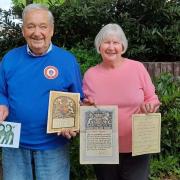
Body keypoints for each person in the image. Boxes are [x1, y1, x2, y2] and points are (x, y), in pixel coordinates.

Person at [0, 3, 83, 180]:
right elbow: (1, 92)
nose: (37, 32)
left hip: (54, 146)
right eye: (31, 26)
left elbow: (78, 99)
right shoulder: (9, 59)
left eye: (43, 26)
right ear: (23, 30)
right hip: (13, 144)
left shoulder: (67, 61)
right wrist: (2, 103)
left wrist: (73, 122)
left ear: (52, 30)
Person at [83, 23, 160, 180]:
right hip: (102, 147)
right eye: (106, 42)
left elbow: (152, 98)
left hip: (137, 145)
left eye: (116, 42)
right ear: (99, 46)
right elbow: (86, 106)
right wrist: (86, 106)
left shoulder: (137, 68)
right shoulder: (90, 75)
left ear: (122, 46)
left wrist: (150, 105)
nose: (111, 47)